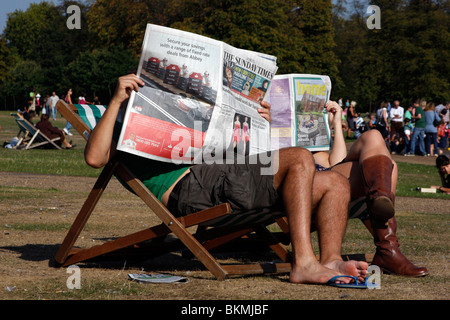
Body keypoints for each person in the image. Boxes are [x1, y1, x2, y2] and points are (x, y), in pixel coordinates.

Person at [84, 74, 368, 285]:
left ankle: (331, 260)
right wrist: (117, 100)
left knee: (335, 182)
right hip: (189, 187)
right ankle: (304, 263)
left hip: (221, 172)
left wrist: (259, 120)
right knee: (299, 157)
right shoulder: (120, 124)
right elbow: (95, 158)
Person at [313, 101, 429, 277]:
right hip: (304, 186)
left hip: (328, 177)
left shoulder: (317, 152)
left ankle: (379, 201)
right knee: (389, 169)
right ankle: (387, 250)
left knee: (374, 137)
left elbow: (335, 162)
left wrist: (336, 122)